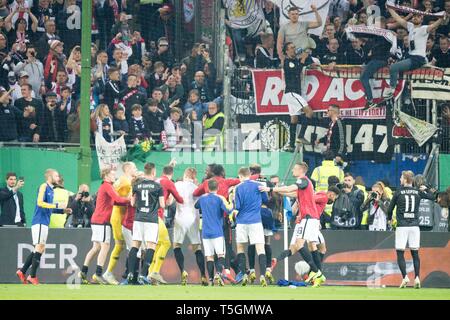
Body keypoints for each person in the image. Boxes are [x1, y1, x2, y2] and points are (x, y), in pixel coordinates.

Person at [260, 162, 325, 287]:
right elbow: (292, 194)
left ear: (301, 170)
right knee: (310, 246)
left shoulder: (303, 180)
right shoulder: (304, 186)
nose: (292, 171)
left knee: (299, 245)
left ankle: (317, 272)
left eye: (294, 169)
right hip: (310, 219)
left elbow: (290, 188)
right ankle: (318, 273)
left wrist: (272, 188)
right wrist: (278, 191)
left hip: (308, 217)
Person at [16, 169, 71, 285]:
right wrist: (56, 204)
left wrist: (62, 210)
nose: (58, 178)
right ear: (50, 176)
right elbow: (40, 203)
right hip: (39, 221)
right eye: (56, 176)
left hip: (44, 222)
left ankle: (22, 271)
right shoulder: (43, 186)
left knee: (39, 248)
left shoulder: (51, 189)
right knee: (40, 247)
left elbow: (48, 207)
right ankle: (32, 276)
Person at [78, 168, 130, 285]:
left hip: (96, 220)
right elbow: (117, 199)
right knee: (105, 246)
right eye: (112, 174)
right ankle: (98, 274)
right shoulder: (107, 186)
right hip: (102, 221)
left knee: (95, 248)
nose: (114, 176)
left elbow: (115, 201)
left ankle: (83, 272)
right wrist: (129, 200)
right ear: (106, 176)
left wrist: (124, 201)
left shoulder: (105, 186)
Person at [384, 7, 445, 99]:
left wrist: (441, 18)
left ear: (421, 19)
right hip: (411, 57)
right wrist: (390, 9)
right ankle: (404, 95)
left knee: (393, 68)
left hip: (417, 58)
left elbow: (434, 26)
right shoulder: (410, 27)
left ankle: (392, 89)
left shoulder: (424, 28)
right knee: (401, 73)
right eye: (414, 16)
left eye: (418, 16)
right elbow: (398, 19)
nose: (415, 18)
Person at [386, 171, 434, 289]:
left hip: (402, 226)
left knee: (400, 252)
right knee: (415, 253)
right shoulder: (418, 192)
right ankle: (417, 277)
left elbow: (389, 209)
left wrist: (389, 219)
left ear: (406, 179)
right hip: (414, 226)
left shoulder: (398, 192)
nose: (400, 179)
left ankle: (405, 277)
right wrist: (426, 189)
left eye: (401, 177)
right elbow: (432, 197)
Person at [126, 163, 164, 284]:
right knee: (151, 246)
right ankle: (143, 274)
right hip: (151, 220)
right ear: (153, 172)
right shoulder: (158, 186)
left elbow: (132, 203)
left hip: (138, 218)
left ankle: (131, 273)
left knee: (135, 245)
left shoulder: (137, 185)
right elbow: (162, 205)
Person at [232, 167, 271, 287]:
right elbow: (266, 200)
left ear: (241, 176)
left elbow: (237, 206)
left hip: (242, 221)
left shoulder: (238, 187)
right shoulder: (259, 185)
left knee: (240, 248)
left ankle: (244, 274)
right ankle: (263, 275)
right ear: (249, 174)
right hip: (255, 221)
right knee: (260, 248)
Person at [148, 162, 184, 284]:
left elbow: (166, 201)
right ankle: (155, 272)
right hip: (157, 216)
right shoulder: (169, 182)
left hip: (148, 215)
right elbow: (179, 199)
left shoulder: (157, 180)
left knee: (156, 245)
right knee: (167, 243)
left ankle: (150, 274)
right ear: (171, 174)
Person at [102, 162, 137, 285]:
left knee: (124, 245)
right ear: (128, 169)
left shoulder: (127, 181)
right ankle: (109, 273)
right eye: (134, 168)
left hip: (123, 216)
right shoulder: (123, 181)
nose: (136, 169)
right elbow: (113, 197)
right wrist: (126, 200)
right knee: (121, 245)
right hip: (118, 216)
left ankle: (124, 273)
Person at [195, 179, 234, 286]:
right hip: (217, 231)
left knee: (209, 256)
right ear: (217, 188)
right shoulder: (220, 198)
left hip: (206, 232)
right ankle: (218, 273)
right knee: (221, 255)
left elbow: (196, 206)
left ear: (207, 188)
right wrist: (231, 199)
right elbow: (229, 210)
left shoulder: (202, 198)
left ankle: (211, 279)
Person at [173, 168, 208, 285]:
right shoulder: (196, 187)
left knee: (176, 245)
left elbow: (170, 200)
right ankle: (203, 276)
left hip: (180, 218)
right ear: (194, 176)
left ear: (184, 174)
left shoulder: (177, 184)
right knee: (197, 248)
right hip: (193, 218)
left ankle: (182, 271)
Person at [246, 164, 275, 285]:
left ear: (251, 171)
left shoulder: (249, 182)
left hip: (253, 214)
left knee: (252, 242)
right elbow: (271, 199)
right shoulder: (267, 182)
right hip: (266, 212)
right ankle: (268, 269)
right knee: (266, 242)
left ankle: (252, 270)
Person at [281, 41, 314, 151]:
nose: (293, 49)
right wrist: (303, 59)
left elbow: (309, 62)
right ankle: (300, 136)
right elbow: (295, 71)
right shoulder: (287, 62)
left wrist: (306, 55)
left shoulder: (296, 61)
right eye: (291, 48)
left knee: (294, 118)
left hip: (295, 93)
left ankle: (291, 144)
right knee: (309, 112)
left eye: (294, 47)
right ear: (286, 51)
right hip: (291, 92)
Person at [360, 17, 395, 109]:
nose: (375, 26)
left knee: (363, 77)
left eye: (377, 24)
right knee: (366, 77)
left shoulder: (387, 35)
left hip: (380, 60)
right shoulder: (376, 37)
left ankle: (370, 100)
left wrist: (372, 53)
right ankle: (373, 100)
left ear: (383, 24)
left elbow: (386, 49)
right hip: (376, 59)